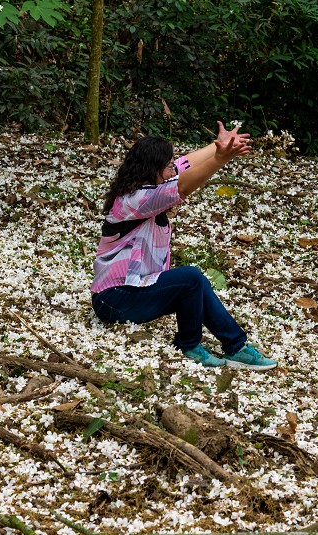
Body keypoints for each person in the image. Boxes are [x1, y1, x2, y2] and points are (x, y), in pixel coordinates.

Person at [90, 121, 277, 371]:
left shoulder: (149, 184)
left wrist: (217, 146)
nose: (173, 169)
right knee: (189, 277)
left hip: (132, 292)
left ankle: (237, 348)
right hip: (114, 300)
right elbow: (182, 185)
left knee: (194, 281)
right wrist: (221, 158)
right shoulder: (137, 199)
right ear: (152, 169)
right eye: (167, 166)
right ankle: (189, 345)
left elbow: (184, 164)